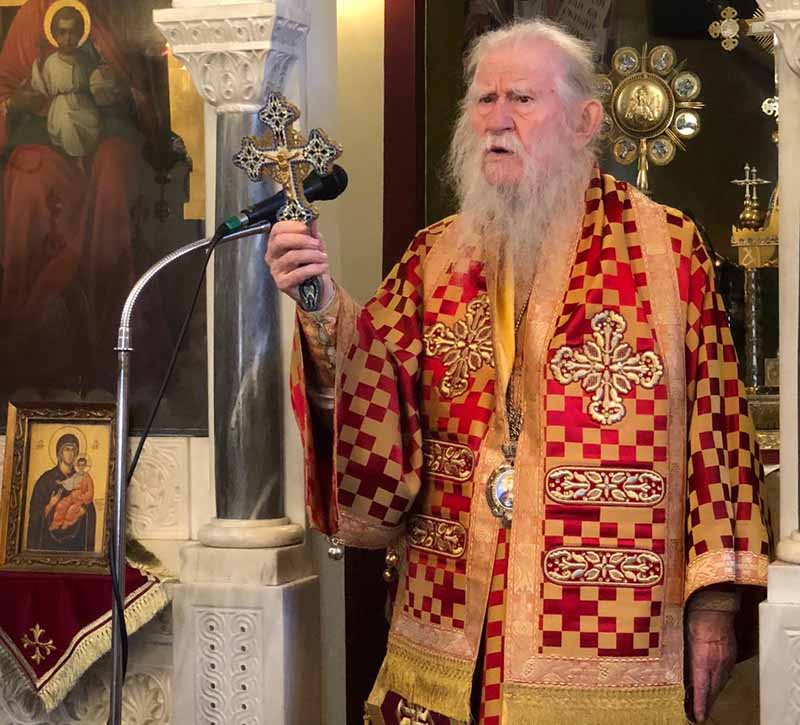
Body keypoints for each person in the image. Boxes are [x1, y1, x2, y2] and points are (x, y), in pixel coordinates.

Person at [267, 20, 770, 725]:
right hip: (455, 611)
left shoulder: (667, 249)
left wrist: (713, 607)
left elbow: (717, 432)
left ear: (584, 121)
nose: (496, 119)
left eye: (522, 99)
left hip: (610, 619)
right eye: (484, 99)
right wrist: (320, 303)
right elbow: (376, 386)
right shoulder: (435, 255)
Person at [30, 6, 101, 163]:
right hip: (61, 109)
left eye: (72, 32)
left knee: (91, 125)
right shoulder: (51, 62)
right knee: (67, 122)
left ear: (80, 34)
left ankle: (84, 160)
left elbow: (94, 84)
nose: (68, 38)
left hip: (85, 107)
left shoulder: (85, 60)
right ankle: (77, 161)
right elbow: (43, 89)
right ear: (55, 35)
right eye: (62, 32)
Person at [27, 433, 96, 552]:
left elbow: (89, 506)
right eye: (67, 449)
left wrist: (84, 510)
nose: (71, 453)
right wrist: (50, 505)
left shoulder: (82, 478)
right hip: (48, 545)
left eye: (74, 450)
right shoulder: (46, 480)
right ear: (59, 453)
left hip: (76, 543)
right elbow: (34, 514)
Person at [50, 455, 95, 531]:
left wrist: (82, 497)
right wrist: (61, 482)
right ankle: (56, 523)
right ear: (78, 466)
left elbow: (90, 491)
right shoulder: (75, 475)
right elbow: (69, 482)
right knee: (61, 505)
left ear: (85, 466)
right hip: (72, 496)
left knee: (71, 509)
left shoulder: (87, 477)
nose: (81, 467)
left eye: (83, 465)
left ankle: (66, 523)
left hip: (80, 499)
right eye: (80, 465)